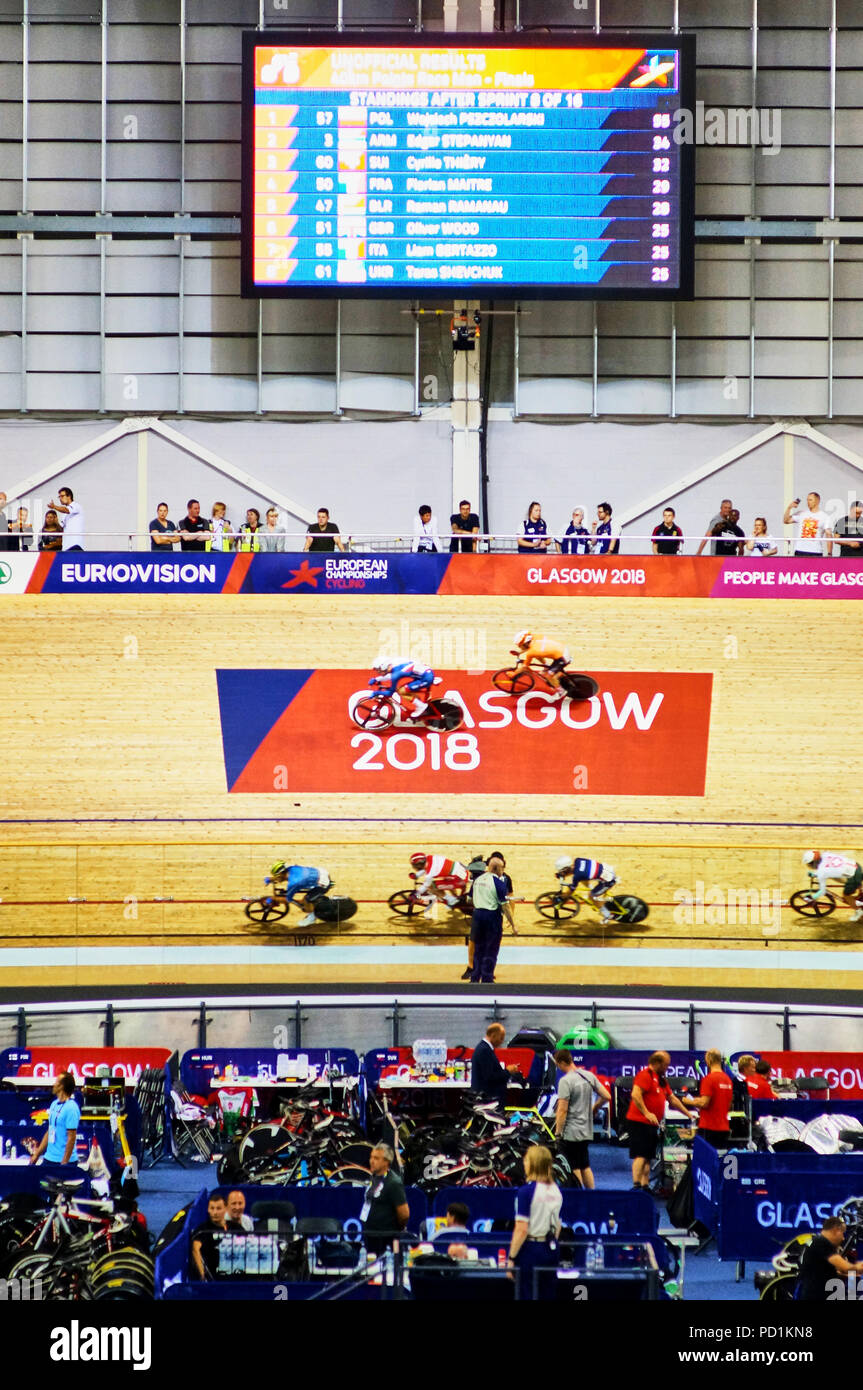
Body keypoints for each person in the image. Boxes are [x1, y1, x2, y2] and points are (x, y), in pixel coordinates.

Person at [625, 1051, 697, 1189]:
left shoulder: (661, 1079)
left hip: (652, 1124)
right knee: (640, 1155)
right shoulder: (645, 1075)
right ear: (657, 1063)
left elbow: (673, 1099)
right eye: (666, 1065)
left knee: (648, 1156)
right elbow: (635, 1094)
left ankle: (645, 1186)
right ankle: (636, 1186)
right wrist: (647, 1113)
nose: (667, 1067)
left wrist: (688, 1113)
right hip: (639, 1122)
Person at [508, 1145, 563, 1299]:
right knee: (548, 1294)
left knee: (527, 1294)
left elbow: (522, 1229)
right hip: (551, 1249)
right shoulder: (555, 1189)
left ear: (533, 1164)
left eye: (526, 1160)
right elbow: (557, 1226)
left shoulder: (526, 1192)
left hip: (531, 1250)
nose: (524, 1163)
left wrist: (511, 1258)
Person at [553, 1049, 611, 1189]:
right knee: (585, 1165)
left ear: (561, 1063)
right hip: (586, 1129)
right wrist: (595, 1107)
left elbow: (562, 1110)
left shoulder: (565, 1081)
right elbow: (607, 1096)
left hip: (571, 1132)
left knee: (574, 1167)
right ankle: (591, 1195)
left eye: (557, 1064)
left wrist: (558, 1132)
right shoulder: (588, 1076)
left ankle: (578, 1196)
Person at [463, 851, 519, 981]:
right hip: (491, 917)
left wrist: (481, 901)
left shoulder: (477, 880)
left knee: (478, 947)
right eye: (502, 868)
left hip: (477, 916)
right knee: (491, 948)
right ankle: (487, 978)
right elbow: (505, 906)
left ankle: (475, 978)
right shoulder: (499, 883)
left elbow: (469, 900)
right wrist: (513, 924)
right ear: (497, 868)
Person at [795, 1216, 863, 1301]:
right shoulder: (822, 1243)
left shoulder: (815, 1241)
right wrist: (858, 1267)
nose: (843, 1238)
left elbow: (826, 1271)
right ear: (835, 1230)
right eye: (842, 1233)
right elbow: (847, 1268)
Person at [361, 1145, 410, 1255]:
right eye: (371, 1157)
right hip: (371, 1235)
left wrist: (394, 1230)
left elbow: (404, 1214)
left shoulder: (393, 1183)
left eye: (376, 1158)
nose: (372, 1161)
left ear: (386, 1162)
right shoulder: (373, 1177)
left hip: (386, 1238)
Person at [29, 1072, 80, 1174]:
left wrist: (64, 1162)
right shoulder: (54, 1104)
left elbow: (71, 1137)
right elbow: (50, 1131)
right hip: (49, 1158)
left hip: (64, 1161)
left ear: (61, 1086)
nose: (54, 1084)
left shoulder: (72, 1108)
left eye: (56, 1082)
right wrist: (37, 1154)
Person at [686, 1048, 733, 1149]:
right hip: (724, 1127)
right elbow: (729, 1105)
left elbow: (704, 1103)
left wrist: (688, 1101)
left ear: (708, 1060)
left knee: (706, 1160)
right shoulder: (728, 1080)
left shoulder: (709, 1079)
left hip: (709, 1127)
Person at [369, 657, 441, 720]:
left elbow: (390, 692)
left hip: (426, 679)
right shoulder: (395, 665)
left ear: (383, 666)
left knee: (401, 691)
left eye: (379, 670)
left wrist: (375, 693)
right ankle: (420, 704)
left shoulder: (395, 674)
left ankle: (421, 706)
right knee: (405, 690)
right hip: (423, 674)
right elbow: (390, 676)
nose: (378, 672)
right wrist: (376, 679)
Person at [470, 1022, 523, 1107]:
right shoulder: (484, 1051)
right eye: (501, 1038)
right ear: (493, 1035)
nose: (502, 1041)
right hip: (488, 1098)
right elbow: (490, 1077)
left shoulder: (484, 1048)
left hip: (487, 1096)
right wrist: (508, 1071)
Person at [265, 861, 331, 929]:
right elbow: (282, 876)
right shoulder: (291, 868)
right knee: (302, 899)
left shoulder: (293, 883)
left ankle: (312, 916)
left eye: (276, 876)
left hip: (324, 883)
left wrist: (273, 899)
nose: (276, 878)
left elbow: (288, 900)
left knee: (306, 902)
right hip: (320, 872)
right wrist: (270, 879)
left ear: (280, 874)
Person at [190, 1193, 242, 1280]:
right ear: (208, 1210)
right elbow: (195, 1249)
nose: (215, 1212)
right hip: (215, 1278)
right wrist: (203, 1275)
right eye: (212, 1208)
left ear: (226, 1209)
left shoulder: (236, 1227)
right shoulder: (203, 1229)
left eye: (218, 1208)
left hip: (237, 1276)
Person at [554, 854, 618, 923]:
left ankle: (608, 914)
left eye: (563, 871)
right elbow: (583, 872)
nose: (563, 873)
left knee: (592, 896)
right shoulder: (578, 860)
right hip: (607, 870)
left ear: (566, 869)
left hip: (609, 880)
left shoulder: (577, 876)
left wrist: (562, 897)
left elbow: (570, 892)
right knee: (583, 879)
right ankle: (592, 889)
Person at [802, 850, 863, 921]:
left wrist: (813, 897)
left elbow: (822, 891)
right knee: (848, 880)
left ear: (814, 863)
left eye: (810, 864)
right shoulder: (826, 854)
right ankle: (860, 889)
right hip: (856, 866)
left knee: (846, 895)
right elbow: (831, 867)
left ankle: (859, 911)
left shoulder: (822, 872)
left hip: (853, 876)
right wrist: (816, 874)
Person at [409, 850, 470, 919]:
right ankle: (454, 896)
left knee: (431, 887)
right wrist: (417, 875)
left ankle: (452, 900)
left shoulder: (430, 873)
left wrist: (416, 893)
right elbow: (426, 868)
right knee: (446, 878)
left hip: (460, 880)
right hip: (461, 871)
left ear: (419, 865)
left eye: (414, 866)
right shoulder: (429, 857)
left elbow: (426, 885)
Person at [510, 630, 573, 697]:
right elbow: (531, 648)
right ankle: (548, 666)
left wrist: (514, 673)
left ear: (525, 643)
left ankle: (561, 691)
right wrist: (519, 652)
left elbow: (524, 667)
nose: (520, 647)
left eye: (520, 646)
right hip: (562, 650)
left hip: (563, 658)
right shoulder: (536, 637)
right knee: (537, 655)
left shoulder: (531, 652)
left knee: (548, 675)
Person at [784, 491, 833, 557]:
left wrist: (829, 553)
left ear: (817, 501)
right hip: (800, 550)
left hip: (815, 551)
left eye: (810, 500)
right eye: (807, 500)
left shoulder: (825, 516)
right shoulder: (802, 513)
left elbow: (828, 534)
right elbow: (786, 521)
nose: (808, 502)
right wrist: (789, 508)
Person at [48, 487, 85, 551]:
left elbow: (66, 510)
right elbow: (61, 528)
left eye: (62, 496)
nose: (60, 499)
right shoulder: (64, 514)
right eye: (59, 497)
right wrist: (53, 522)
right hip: (66, 547)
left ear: (69, 496)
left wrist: (54, 507)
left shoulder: (76, 506)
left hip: (75, 545)